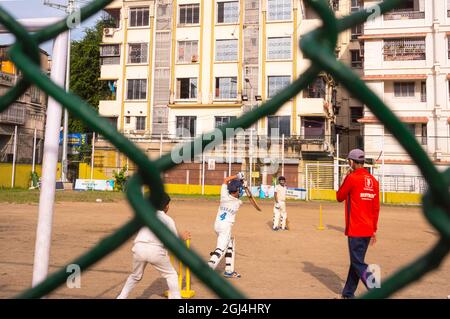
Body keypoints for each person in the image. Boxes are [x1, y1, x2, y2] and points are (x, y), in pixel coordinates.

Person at [117, 193, 190, 299]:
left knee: (135, 276)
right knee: (171, 275)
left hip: (139, 247)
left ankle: (121, 297)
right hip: (155, 250)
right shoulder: (168, 219)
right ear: (166, 206)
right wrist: (182, 237)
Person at [336, 149, 380, 299]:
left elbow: (339, 196)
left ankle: (376, 288)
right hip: (368, 229)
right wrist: (374, 229)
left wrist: (345, 178)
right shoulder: (373, 181)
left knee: (357, 263)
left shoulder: (352, 178)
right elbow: (376, 208)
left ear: (351, 162)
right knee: (356, 262)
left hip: (355, 229)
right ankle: (348, 293)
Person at [208, 172, 246, 278]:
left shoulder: (224, 195)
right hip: (225, 228)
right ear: (237, 190)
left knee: (230, 243)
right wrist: (243, 183)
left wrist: (237, 177)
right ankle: (208, 269)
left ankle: (229, 270)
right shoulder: (237, 203)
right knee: (220, 249)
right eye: (239, 189)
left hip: (217, 225)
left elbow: (225, 180)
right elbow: (240, 193)